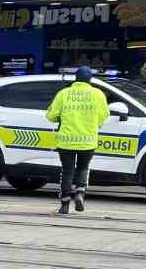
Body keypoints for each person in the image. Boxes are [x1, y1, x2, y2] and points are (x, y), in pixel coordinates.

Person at [45, 66, 110, 216]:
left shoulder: (64, 94)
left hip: (66, 140)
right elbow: (104, 114)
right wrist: (95, 124)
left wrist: (59, 118)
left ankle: (65, 204)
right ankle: (80, 191)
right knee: (83, 167)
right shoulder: (98, 94)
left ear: (76, 79)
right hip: (88, 139)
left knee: (67, 171)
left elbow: (51, 115)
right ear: (90, 80)